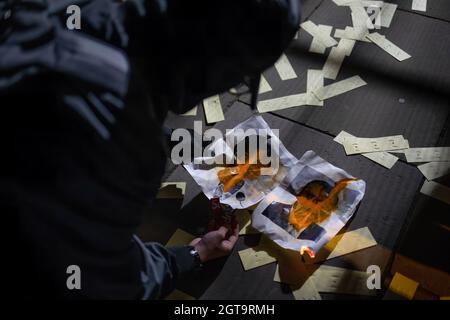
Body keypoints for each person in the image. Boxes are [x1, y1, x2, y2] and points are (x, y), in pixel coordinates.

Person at [0, 0, 300, 299]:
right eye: (236, 82)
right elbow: (100, 279)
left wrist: (179, 141)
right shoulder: (118, 140)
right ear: (209, 68)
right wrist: (191, 256)